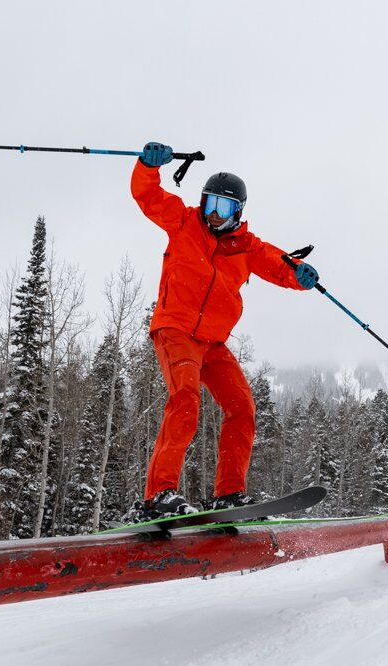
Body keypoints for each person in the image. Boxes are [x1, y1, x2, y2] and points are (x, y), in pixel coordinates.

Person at [126, 142, 319, 521]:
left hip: (213, 343)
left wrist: (299, 275)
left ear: (239, 212)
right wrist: (147, 167)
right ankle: (158, 494)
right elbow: (147, 195)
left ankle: (229, 494)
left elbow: (279, 265)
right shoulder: (184, 222)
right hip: (176, 330)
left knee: (241, 407)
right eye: (210, 204)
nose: (214, 214)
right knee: (185, 398)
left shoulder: (244, 247)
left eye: (224, 208)